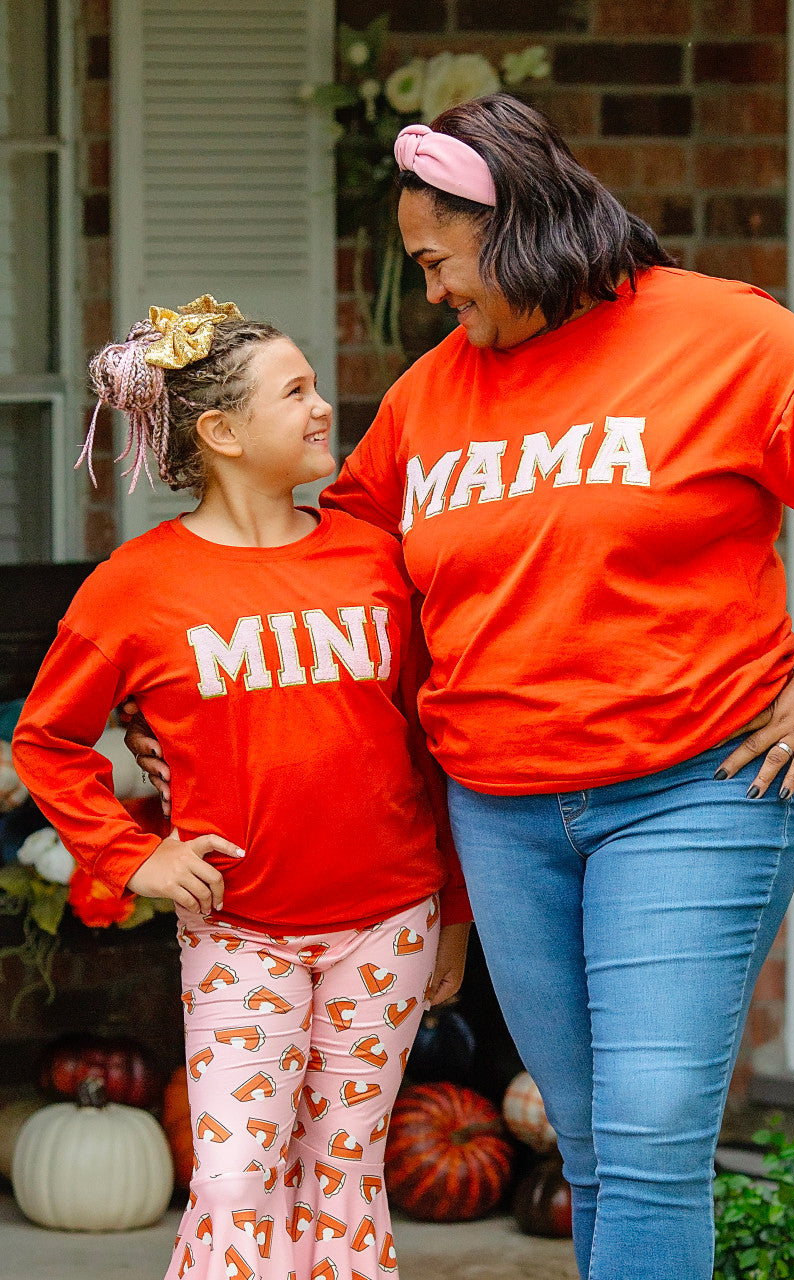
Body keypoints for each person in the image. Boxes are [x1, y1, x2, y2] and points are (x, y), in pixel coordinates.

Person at [129, 96, 794, 1280]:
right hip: (504, 818)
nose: (432, 292)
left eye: (436, 260)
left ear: (509, 223)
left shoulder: (718, 333)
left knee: (654, 1124)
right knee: (598, 1147)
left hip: (694, 792)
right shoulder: (431, 397)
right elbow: (334, 578)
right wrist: (200, 700)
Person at [12, 297, 471, 1280]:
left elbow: (433, 747)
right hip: (242, 929)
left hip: (387, 921)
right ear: (219, 433)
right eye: (295, 391)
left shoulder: (376, 559)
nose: (321, 408)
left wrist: (455, 913)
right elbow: (48, 740)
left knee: (345, 1171)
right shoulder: (138, 585)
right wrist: (136, 855)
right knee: (234, 1177)